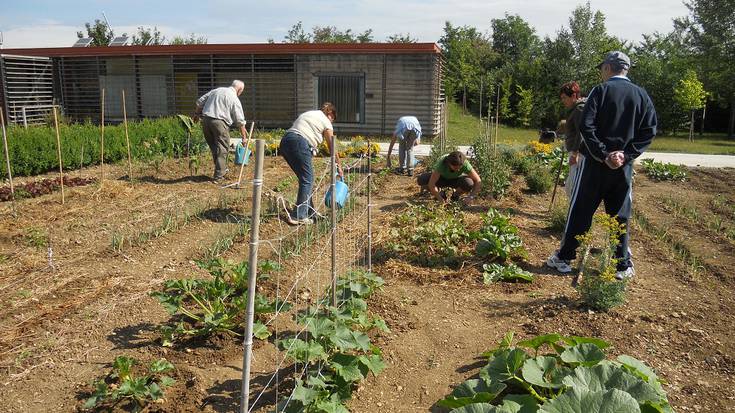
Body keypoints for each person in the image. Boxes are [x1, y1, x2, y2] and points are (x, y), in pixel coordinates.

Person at [546, 51, 657, 280]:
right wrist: (625, 155)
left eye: (602, 68)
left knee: (581, 210)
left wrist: (604, 154)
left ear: (608, 68)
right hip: (622, 169)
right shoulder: (641, 95)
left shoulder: (600, 91)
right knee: (620, 214)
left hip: (595, 166)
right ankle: (621, 266)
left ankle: (564, 258)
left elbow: (587, 126)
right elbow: (649, 130)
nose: (601, 72)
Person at [279, 102, 343, 225]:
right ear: (330, 113)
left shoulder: (310, 114)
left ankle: (310, 212)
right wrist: (338, 165)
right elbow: (332, 145)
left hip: (286, 141)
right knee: (307, 179)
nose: (332, 122)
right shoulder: (326, 121)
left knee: (305, 178)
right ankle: (299, 215)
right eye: (333, 118)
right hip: (299, 142)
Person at [194, 80, 248, 182]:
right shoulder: (234, 98)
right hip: (219, 123)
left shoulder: (216, 91)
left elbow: (200, 101)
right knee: (222, 148)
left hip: (206, 121)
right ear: (239, 90)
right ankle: (219, 176)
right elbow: (240, 120)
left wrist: (196, 114)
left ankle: (222, 169)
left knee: (214, 147)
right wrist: (244, 137)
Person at [416, 151, 481, 204]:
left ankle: (455, 195)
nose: (458, 170)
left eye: (460, 167)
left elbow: (478, 180)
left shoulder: (464, 163)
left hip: (456, 180)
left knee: (469, 183)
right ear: (449, 163)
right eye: (455, 168)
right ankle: (440, 192)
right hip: (441, 179)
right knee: (422, 179)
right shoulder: (441, 163)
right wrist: (439, 198)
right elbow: (431, 184)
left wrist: (471, 197)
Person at [559, 81, 587, 198]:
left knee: (572, 186)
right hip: (575, 152)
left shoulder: (579, 109)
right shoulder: (575, 109)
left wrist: (575, 154)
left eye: (565, 98)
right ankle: (573, 210)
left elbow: (581, 133)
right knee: (570, 185)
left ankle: (574, 211)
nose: (563, 101)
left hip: (578, 153)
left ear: (574, 96)